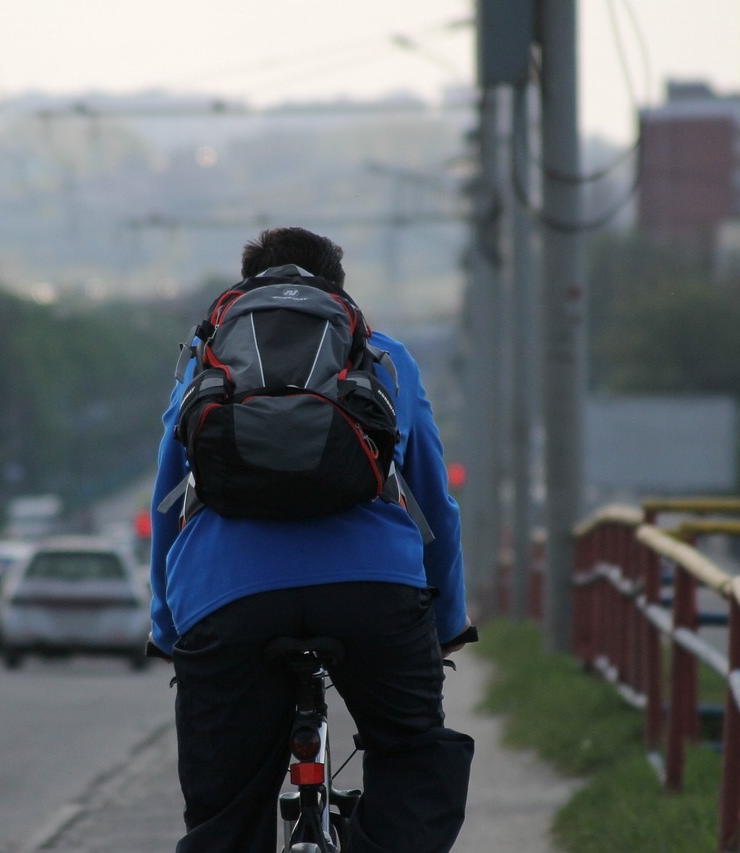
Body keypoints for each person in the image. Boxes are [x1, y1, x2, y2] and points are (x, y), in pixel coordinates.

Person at [149, 226, 474, 853]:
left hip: (227, 595)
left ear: (245, 290)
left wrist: (168, 628)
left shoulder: (204, 362)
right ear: (337, 295)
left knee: (224, 806)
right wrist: (444, 623)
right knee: (412, 754)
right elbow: (434, 504)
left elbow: (168, 502)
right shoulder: (385, 357)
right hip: (373, 593)